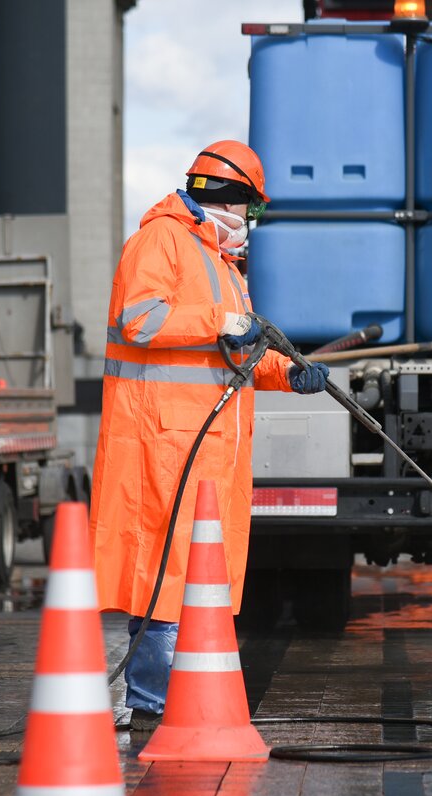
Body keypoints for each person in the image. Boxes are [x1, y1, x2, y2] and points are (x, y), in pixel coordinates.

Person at [88, 140, 330, 730]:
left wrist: (287, 372)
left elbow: (235, 356)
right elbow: (138, 320)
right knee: (164, 577)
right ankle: (154, 703)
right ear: (225, 201)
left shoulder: (223, 266)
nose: (250, 227)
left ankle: (180, 699)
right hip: (164, 448)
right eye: (250, 213)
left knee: (197, 581)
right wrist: (222, 320)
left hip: (207, 453)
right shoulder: (160, 242)